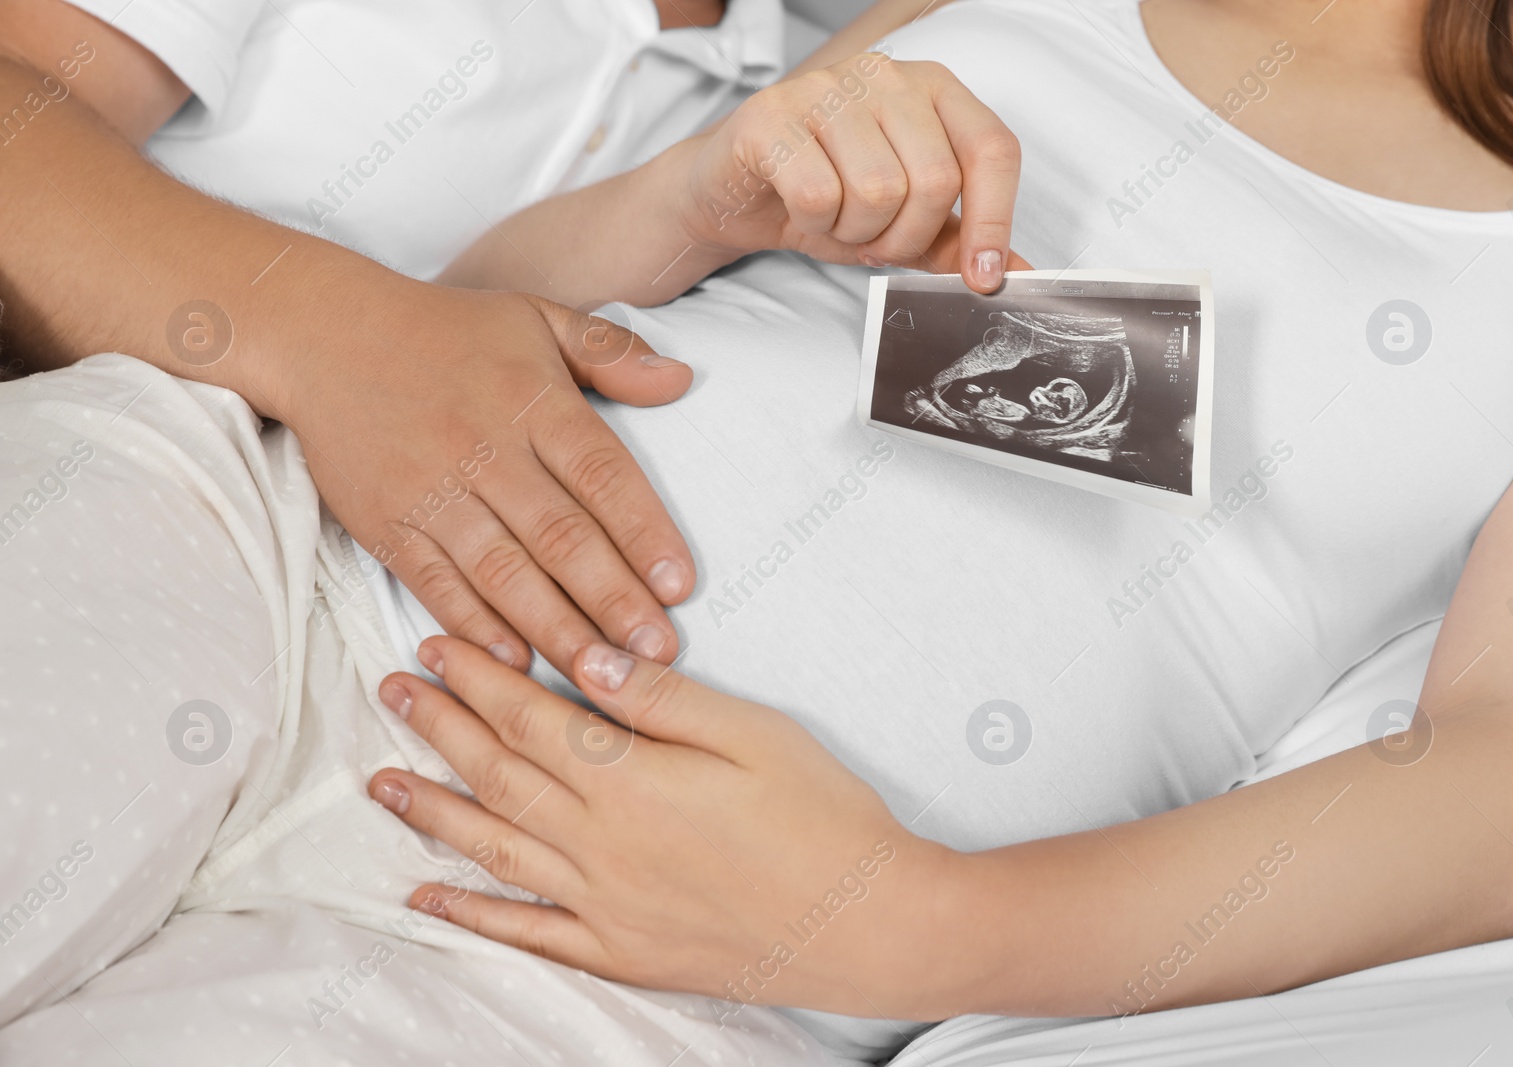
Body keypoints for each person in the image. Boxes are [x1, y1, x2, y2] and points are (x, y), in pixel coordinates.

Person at [2, 1, 1513, 1065]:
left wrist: (908, 922)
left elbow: (1509, 787)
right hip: (270, 561)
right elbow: (480, 315)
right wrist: (703, 200)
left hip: (638, 966)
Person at [0, 0, 1019, 679]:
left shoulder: (773, 86)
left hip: (353, 684)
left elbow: (474, 326)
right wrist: (330, 337)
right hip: (88, 520)